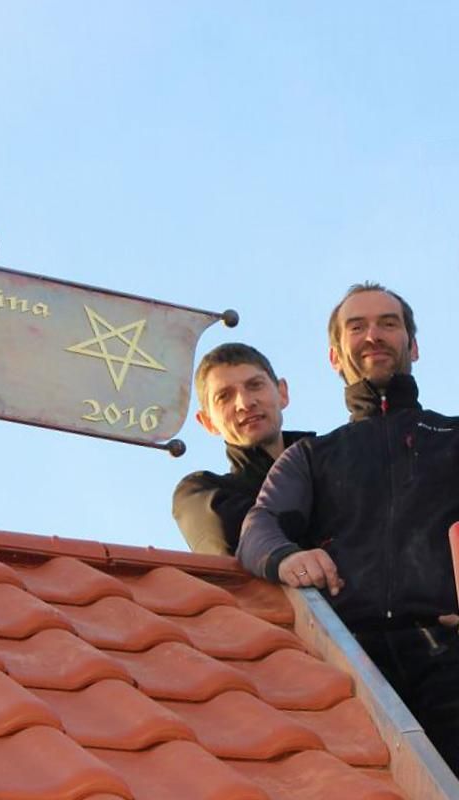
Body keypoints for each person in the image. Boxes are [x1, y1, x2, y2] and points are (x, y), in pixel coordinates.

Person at [238, 282, 459, 774]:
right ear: (336, 356)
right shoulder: (313, 457)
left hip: (450, 661)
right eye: (356, 327)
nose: (373, 336)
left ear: (414, 346)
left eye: (388, 323)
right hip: (352, 669)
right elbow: (261, 526)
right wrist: (288, 557)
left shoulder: (453, 437)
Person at [172, 343, 311, 555]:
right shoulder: (200, 495)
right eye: (224, 396)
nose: (245, 403)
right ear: (207, 422)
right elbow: (240, 540)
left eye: (255, 385)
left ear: (282, 393)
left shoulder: (334, 461)